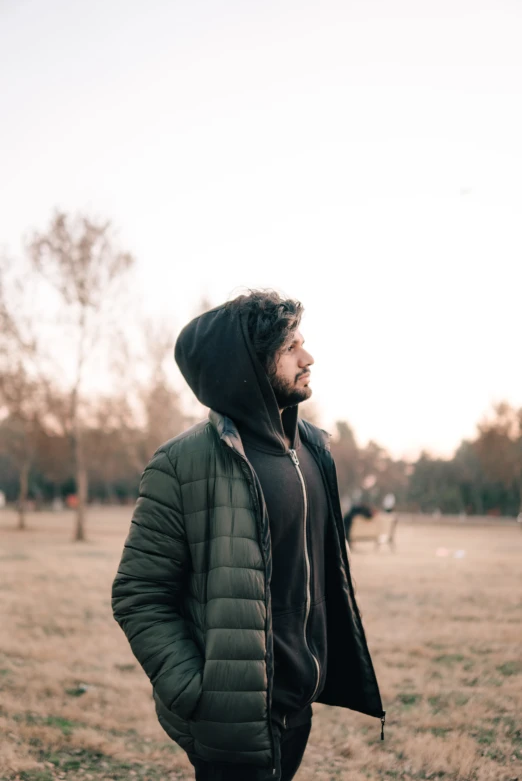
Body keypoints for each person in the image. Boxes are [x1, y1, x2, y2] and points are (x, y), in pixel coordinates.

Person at [112, 290, 384, 781]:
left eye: (304, 342)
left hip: (301, 707)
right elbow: (139, 594)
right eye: (290, 348)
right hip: (230, 722)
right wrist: (199, 691)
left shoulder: (314, 450)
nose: (308, 357)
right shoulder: (180, 464)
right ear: (250, 365)